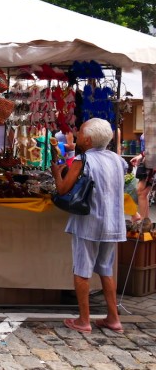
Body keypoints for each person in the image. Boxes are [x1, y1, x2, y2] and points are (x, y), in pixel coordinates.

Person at [51, 118, 127, 334]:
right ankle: (113, 318)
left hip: (89, 222)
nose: (77, 134)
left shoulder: (82, 160)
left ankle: (84, 320)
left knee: (82, 269)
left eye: (81, 132)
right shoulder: (117, 160)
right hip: (112, 223)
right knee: (106, 270)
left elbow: (63, 189)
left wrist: (57, 173)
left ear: (89, 138)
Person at [131, 133, 153, 221]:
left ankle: (144, 223)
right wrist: (141, 156)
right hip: (148, 162)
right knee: (142, 193)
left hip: (151, 163)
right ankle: (145, 223)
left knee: (141, 192)